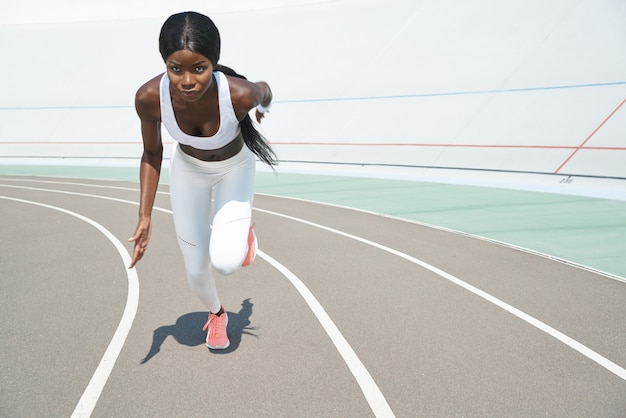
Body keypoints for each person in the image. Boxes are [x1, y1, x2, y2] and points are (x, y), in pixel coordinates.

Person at [128, 11, 277, 350]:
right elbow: (152, 153)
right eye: (175, 68)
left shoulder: (239, 94)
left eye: (199, 68)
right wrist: (145, 216)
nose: (187, 80)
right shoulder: (149, 98)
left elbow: (264, 91)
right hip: (188, 172)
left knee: (226, 262)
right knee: (196, 270)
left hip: (233, 170)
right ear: (164, 63)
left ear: (214, 62)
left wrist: (264, 106)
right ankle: (217, 314)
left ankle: (242, 232)